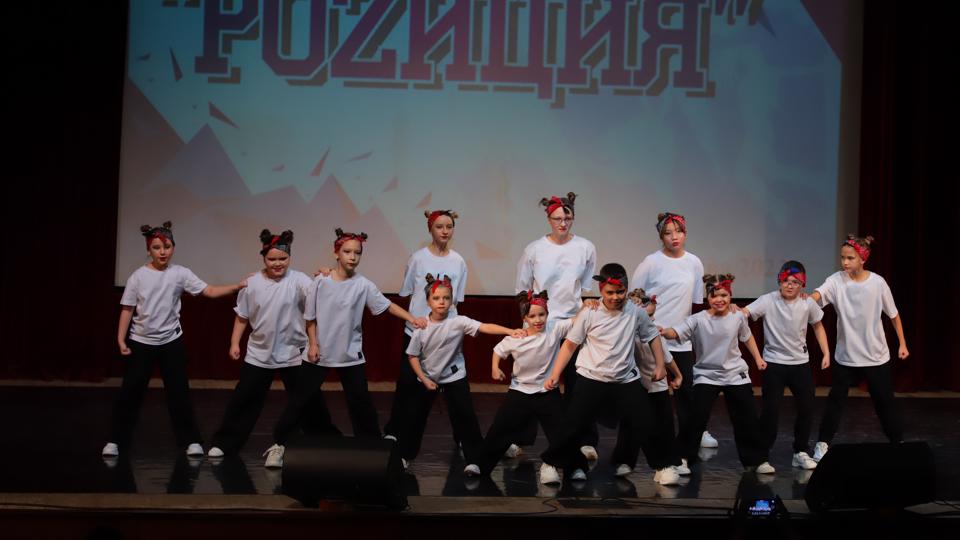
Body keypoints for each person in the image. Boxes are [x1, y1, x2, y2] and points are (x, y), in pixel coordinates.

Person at [265, 229, 427, 468]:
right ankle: (280, 444)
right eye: (347, 252)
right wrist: (313, 344)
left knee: (361, 404)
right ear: (336, 253)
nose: (352, 257)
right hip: (319, 353)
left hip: (350, 355)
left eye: (357, 253)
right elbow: (310, 317)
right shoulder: (321, 282)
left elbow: (387, 305)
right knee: (300, 401)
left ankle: (374, 451)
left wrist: (412, 318)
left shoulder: (363, 285)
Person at [103, 221, 246, 458]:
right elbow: (127, 309)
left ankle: (191, 440)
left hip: (171, 342)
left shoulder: (180, 274)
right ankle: (115, 440)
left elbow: (209, 291)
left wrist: (237, 287)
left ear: (173, 248)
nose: (162, 252)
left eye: (167, 247)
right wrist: (121, 340)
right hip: (141, 342)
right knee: (130, 393)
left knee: (179, 393)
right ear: (149, 250)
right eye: (157, 247)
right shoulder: (138, 277)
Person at [207, 229, 338, 461]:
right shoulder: (252, 283)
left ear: (289, 257)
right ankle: (225, 443)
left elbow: (320, 297)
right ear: (264, 258)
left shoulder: (299, 280)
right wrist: (235, 342)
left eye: (283, 259)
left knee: (308, 400)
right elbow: (242, 316)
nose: (278, 263)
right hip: (259, 352)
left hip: (294, 352)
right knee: (244, 399)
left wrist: (326, 274)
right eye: (272, 259)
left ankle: (324, 440)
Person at [540, 263, 671, 484]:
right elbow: (570, 345)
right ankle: (550, 464)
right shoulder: (589, 312)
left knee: (645, 421)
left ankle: (663, 466)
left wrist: (660, 365)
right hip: (591, 377)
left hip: (625, 379)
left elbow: (652, 336)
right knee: (573, 425)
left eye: (620, 292)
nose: (615, 297)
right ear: (601, 290)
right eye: (610, 292)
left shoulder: (636, 312)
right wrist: (555, 373)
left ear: (626, 289)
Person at [399, 274, 525, 475]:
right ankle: (404, 456)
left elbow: (484, 326)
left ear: (452, 300)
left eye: (446, 298)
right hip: (427, 376)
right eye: (436, 298)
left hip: (454, 376)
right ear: (428, 302)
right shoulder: (422, 327)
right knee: (416, 418)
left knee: (465, 418)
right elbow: (412, 356)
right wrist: (424, 379)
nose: (441, 302)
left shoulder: (458, 321)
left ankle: (475, 460)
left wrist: (510, 331)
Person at [808, 235, 909, 462]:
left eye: (850, 258)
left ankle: (897, 443)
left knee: (885, 403)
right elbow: (819, 294)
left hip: (875, 356)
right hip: (846, 356)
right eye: (842, 257)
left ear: (863, 259)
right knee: (835, 402)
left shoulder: (878, 283)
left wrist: (902, 343)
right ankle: (822, 444)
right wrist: (805, 299)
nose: (845, 262)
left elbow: (893, 315)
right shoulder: (836, 280)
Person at [660, 274, 774, 474]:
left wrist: (758, 358)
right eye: (714, 296)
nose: (719, 300)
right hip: (706, 374)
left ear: (730, 296)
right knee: (696, 418)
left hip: (735, 373)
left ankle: (756, 461)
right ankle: (682, 458)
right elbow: (676, 332)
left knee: (747, 418)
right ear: (708, 297)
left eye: (724, 295)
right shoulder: (698, 319)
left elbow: (747, 337)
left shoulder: (738, 316)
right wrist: (663, 331)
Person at [515, 192, 598, 460]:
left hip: (573, 323)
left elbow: (584, 289)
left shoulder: (585, 248)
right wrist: (528, 325)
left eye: (567, 218)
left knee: (578, 382)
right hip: (543, 324)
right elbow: (522, 291)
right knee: (533, 381)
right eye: (557, 219)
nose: (563, 223)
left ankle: (583, 439)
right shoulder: (534, 249)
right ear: (548, 219)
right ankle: (519, 438)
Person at [632, 212, 717, 450]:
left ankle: (694, 434)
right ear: (661, 237)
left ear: (685, 233)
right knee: (650, 389)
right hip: (653, 337)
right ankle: (646, 435)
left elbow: (696, 301)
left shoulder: (694, 262)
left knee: (687, 390)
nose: (674, 237)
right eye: (668, 233)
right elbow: (634, 298)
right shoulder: (651, 262)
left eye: (678, 231)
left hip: (681, 336)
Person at [383, 210, 467, 444]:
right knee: (407, 382)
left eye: (449, 226)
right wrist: (414, 319)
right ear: (430, 229)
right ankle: (394, 430)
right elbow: (408, 292)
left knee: (454, 388)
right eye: (439, 226)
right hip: (417, 331)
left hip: (446, 334)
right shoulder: (418, 258)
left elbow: (456, 299)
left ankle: (463, 437)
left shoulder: (458, 261)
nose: (445, 231)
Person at [741, 260, 829, 470]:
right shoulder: (768, 300)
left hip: (800, 364)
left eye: (795, 282)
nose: (790, 285)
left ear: (802, 285)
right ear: (779, 281)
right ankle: (762, 456)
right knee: (770, 411)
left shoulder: (808, 303)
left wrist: (826, 352)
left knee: (806, 408)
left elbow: (818, 326)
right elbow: (745, 313)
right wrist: (737, 311)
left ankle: (800, 451)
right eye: (786, 281)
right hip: (774, 364)